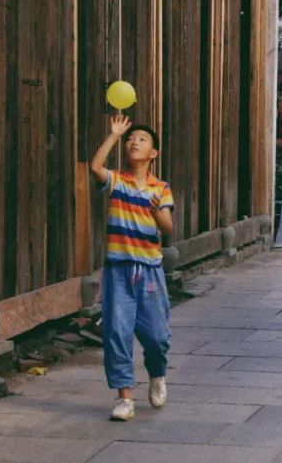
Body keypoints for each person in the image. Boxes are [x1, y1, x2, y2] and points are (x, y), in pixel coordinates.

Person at [90, 114, 174, 421]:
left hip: (150, 270)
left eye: (142, 139)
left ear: (154, 153)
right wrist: (114, 135)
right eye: (130, 139)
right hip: (118, 269)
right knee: (117, 332)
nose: (134, 142)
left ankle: (157, 373)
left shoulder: (160, 188)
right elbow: (95, 168)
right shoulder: (117, 182)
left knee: (157, 336)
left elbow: (168, 228)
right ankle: (124, 398)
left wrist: (156, 213)